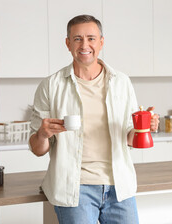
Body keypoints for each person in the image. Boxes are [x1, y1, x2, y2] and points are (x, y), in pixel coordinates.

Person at [29, 14, 159, 224]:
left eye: (91, 38)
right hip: (74, 189)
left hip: (119, 187)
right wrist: (43, 134)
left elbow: (128, 138)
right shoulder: (51, 86)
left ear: (101, 42)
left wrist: (144, 126)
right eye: (78, 38)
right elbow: (37, 149)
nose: (84, 44)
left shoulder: (121, 82)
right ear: (68, 43)